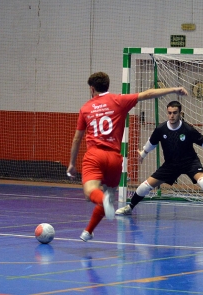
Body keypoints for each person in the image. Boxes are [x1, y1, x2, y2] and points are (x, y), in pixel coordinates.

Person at [67, 72, 188, 242]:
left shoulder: (86, 108)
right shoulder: (119, 100)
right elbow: (148, 93)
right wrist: (174, 89)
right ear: (107, 86)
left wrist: (72, 164)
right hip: (115, 159)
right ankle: (88, 231)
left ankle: (103, 200)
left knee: (91, 193)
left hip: (95, 156)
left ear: (92, 89)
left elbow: (77, 138)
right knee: (107, 197)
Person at [115, 100, 203, 222]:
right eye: (169, 113)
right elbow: (152, 142)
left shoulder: (188, 129)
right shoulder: (161, 129)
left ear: (180, 114)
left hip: (190, 162)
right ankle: (129, 207)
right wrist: (144, 153)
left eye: (175, 113)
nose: (172, 116)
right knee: (144, 187)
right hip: (170, 165)